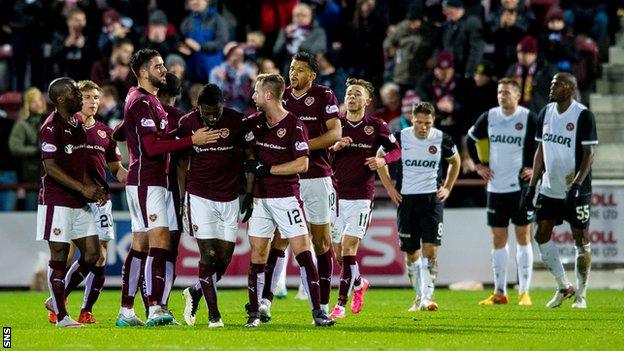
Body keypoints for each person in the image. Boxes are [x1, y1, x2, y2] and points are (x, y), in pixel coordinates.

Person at [113, 49, 219, 327]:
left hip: (147, 181)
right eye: (159, 67)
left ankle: (127, 311)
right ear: (145, 72)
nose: (165, 70)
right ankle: (156, 308)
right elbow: (151, 147)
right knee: (159, 244)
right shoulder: (141, 102)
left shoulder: (147, 101)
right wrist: (191, 139)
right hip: (148, 180)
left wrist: (178, 134)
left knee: (141, 245)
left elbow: (130, 135)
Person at [242, 73, 334, 328]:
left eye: (257, 92)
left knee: (303, 250)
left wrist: (268, 170)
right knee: (258, 253)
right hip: (261, 200)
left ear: (269, 95)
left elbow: (303, 163)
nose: (253, 97)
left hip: (287, 198)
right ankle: (254, 313)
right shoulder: (254, 123)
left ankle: (318, 312)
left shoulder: (294, 125)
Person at [259, 52, 342, 319]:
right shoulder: (280, 98)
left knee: (321, 241)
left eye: (300, 70)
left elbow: (335, 133)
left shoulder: (324, 95)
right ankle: (265, 302)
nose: (294, 74)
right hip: (287, 179)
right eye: (292, 68)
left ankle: (323, 306)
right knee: (280, 239)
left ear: (312, 75)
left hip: (317, 176)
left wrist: (301, 148)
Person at [47, 80, 128, 324]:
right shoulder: (68, 128)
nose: (93, 101)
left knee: (99, 256)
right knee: (67, 252)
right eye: (87, 97)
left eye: (96, 97)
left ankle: (85, 309)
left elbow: (116, 169)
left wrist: (138, 175)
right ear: (76, 100)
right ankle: (59, 303)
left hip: (100, 200)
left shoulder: (105, 132)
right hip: (72, 199)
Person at [521, 72, 597, 309]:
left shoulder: (583, 115)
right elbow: (540, 151)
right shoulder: (545, 112)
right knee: (541, 236)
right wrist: (531, 186)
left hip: (576, 189)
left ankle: (582, 295)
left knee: (581, 240)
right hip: (549, 188)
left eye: (558, 84)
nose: (552, 87)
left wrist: (576, 184)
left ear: (571, 88)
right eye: (552, 83)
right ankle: (564, 286)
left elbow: (589, 154)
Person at [178, 84, 250, 327]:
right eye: (207, 112)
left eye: (216, 111)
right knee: (208, 256)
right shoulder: (188, 123)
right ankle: (214, 315)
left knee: (224, 259)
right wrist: (182, 196)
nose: (212, 116)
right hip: (199, 196)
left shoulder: (237, 121)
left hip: (229, 197)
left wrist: (249, 192)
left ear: (223, 104)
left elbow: (249, 155)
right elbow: (180, 162)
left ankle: (195, 291)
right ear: (198, 107)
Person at [328, 78, 401, 319]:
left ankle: (339, 305)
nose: (351, 97)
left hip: (361, 197)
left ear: (367, 100)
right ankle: (359, 283)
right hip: (336, 197)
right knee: (339, 255)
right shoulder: (335, 125)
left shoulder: (376, 125)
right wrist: (334, 147)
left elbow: (396, 150)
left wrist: (382, 160)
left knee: (349, 249)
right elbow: (317, 154)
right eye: (349, 93)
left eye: (357, 94)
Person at [377, 102, 460, 312]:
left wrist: (448, 188)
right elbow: (379, 158)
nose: (423, 127)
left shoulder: (442, 138)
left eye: (428, 123)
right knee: (412, 254)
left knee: (430, 251)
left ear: (433, 121)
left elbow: (455, 161)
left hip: (432, 201)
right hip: (406, 201)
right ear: (411, 119)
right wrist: (389, 188)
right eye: (419, 122)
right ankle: (418, 295)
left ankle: (427, 297)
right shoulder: (400, 137)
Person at [38, 77, 106, 327]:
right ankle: (62, 317)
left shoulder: (77, 124)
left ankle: (56, 298)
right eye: (75, 93)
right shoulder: (50, 126)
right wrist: (83, 188)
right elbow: (51, 167)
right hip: (56, 201)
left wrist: (93, 189)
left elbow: (80, 162)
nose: (80, 96)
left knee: (93, 254)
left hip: (80, 201)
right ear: (60, 99)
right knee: (59, 255)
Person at [465, 78, 537, 306]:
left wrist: (535, 168)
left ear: (517, 95)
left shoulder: (528, 117)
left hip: (520, 187)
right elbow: (470, 139)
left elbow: (543, 145)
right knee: (498, 237)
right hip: (496, 187)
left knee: (523, 236)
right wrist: (478, 165)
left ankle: (524, 291)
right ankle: (499, 292)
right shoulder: (490, 116)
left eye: (506, 92)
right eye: (499, 92)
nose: (502, 95)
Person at [156, 73, 187, 317]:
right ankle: (161, 304)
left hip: (141, 185)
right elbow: (182, 165)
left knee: (144, 249)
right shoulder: (181, 120)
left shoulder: (143, 109)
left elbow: (118, 135)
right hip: (169, 189)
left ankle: (132, 306)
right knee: (169, 251)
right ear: (178, 94)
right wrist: (184, 198)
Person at [9, 87, 47, 210]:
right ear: (27, 104)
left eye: (39, 100)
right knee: (32, 214)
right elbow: (15, 147)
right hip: (31, 176)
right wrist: (36, 150)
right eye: (33, 101)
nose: (38, 103)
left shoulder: (50, 120)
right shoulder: (22, 124)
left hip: (51, 176)